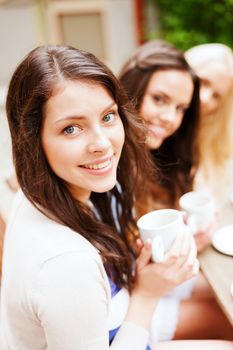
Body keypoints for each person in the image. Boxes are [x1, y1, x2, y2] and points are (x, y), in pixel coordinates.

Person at [0, 45, 232, 350]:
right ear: (32, 139)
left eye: (108, 117)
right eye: (71, 128)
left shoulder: (58, 194)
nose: (102, 144)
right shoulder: (67, 262)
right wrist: (148, 294)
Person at [119, 40, 233, 342]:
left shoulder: (154, 154)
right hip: (127, 308)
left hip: (144, 286)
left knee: (224, 298)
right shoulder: (109, 163)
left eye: (181, 108)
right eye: (159, 99)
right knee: (226, 318)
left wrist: (187, 239)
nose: (170, 117)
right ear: (133, 87)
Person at [185, 43, 233, 210]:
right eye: (203, 82)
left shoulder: (217, 142)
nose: (205, 98)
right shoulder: (156, 129)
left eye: (216, 96)